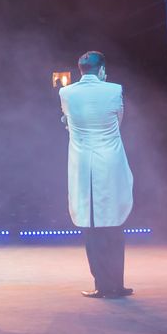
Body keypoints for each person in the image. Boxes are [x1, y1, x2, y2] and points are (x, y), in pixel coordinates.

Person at [58, 50, 134, 299]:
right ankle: (117, 283)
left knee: (91, 224)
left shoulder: (66, 92)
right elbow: (118, 120)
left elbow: (69, 120)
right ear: (101, 69)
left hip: (83, 161)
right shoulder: (114, 90)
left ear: (80, 69)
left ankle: (102, 283)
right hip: (109, 161)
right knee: (113, 221)